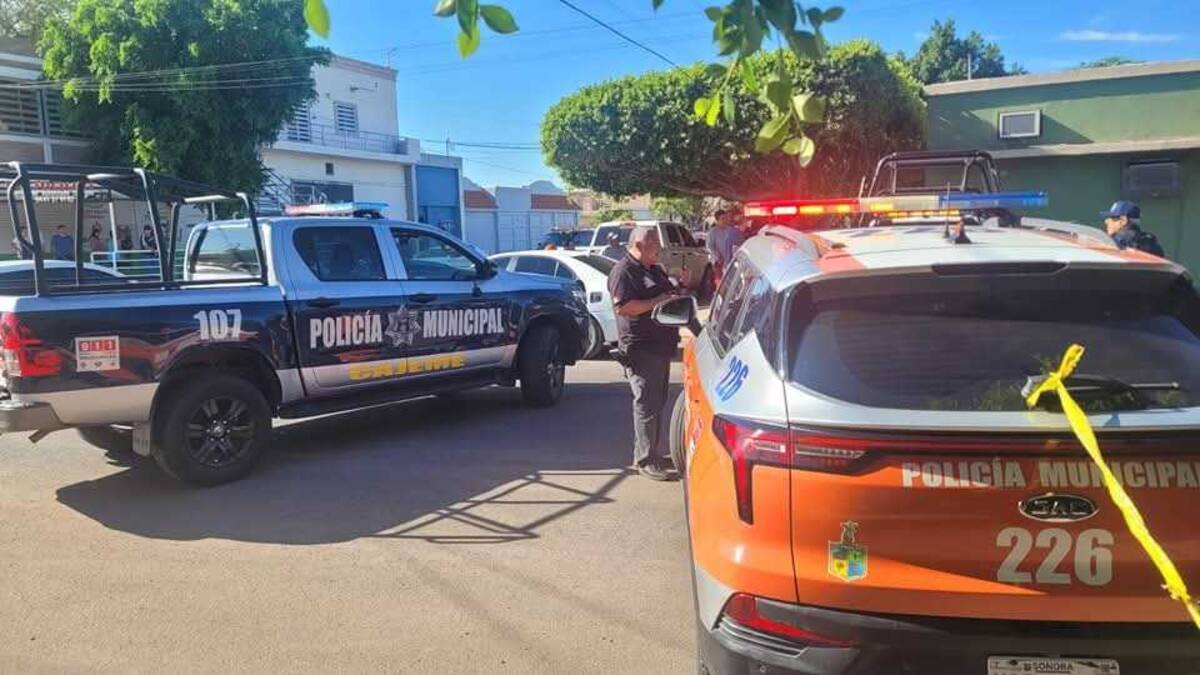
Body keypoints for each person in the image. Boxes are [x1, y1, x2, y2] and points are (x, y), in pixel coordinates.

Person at [608, 226, 680, 481]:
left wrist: (673, 293)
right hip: (641, 347)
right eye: (654, 248)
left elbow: (664, 291)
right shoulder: (623, 272)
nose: (658, 252)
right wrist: (656, 302)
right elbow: (624, 308)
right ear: (639, 246)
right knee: (646, 403)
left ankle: (653, 451)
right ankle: (645, 459)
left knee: (657, 401)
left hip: (660, 345)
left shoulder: (653, 269)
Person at [706, 208, 744, 285]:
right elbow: (710, 247)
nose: (725, 221)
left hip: (732, 262)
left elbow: (740, 243)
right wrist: (717, 257)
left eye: (726, 218)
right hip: (719, 263)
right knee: (721, 283)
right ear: (717, 221)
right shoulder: (713, 232)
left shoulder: (732, 231)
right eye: (722, 219)